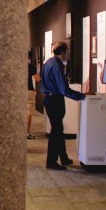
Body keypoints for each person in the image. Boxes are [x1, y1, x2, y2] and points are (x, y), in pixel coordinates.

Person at [40, 41, 86, 170]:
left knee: (58, 130)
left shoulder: (49, 62)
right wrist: (82, 96)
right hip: (54, 100)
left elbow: (42, 82)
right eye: (67, 51)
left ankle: (64, 158)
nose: (68, 54)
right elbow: (64, 90)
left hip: (49, 99)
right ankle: (51, 162)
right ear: (62, 52)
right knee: (56, 131)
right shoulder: (57, 66)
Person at [27, 55, 39, 139]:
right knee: (28, 112)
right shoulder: (31, 66)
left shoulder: (17, 66)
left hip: (18, 92)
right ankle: (26, 133)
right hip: (29, 91)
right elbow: (37, 79)